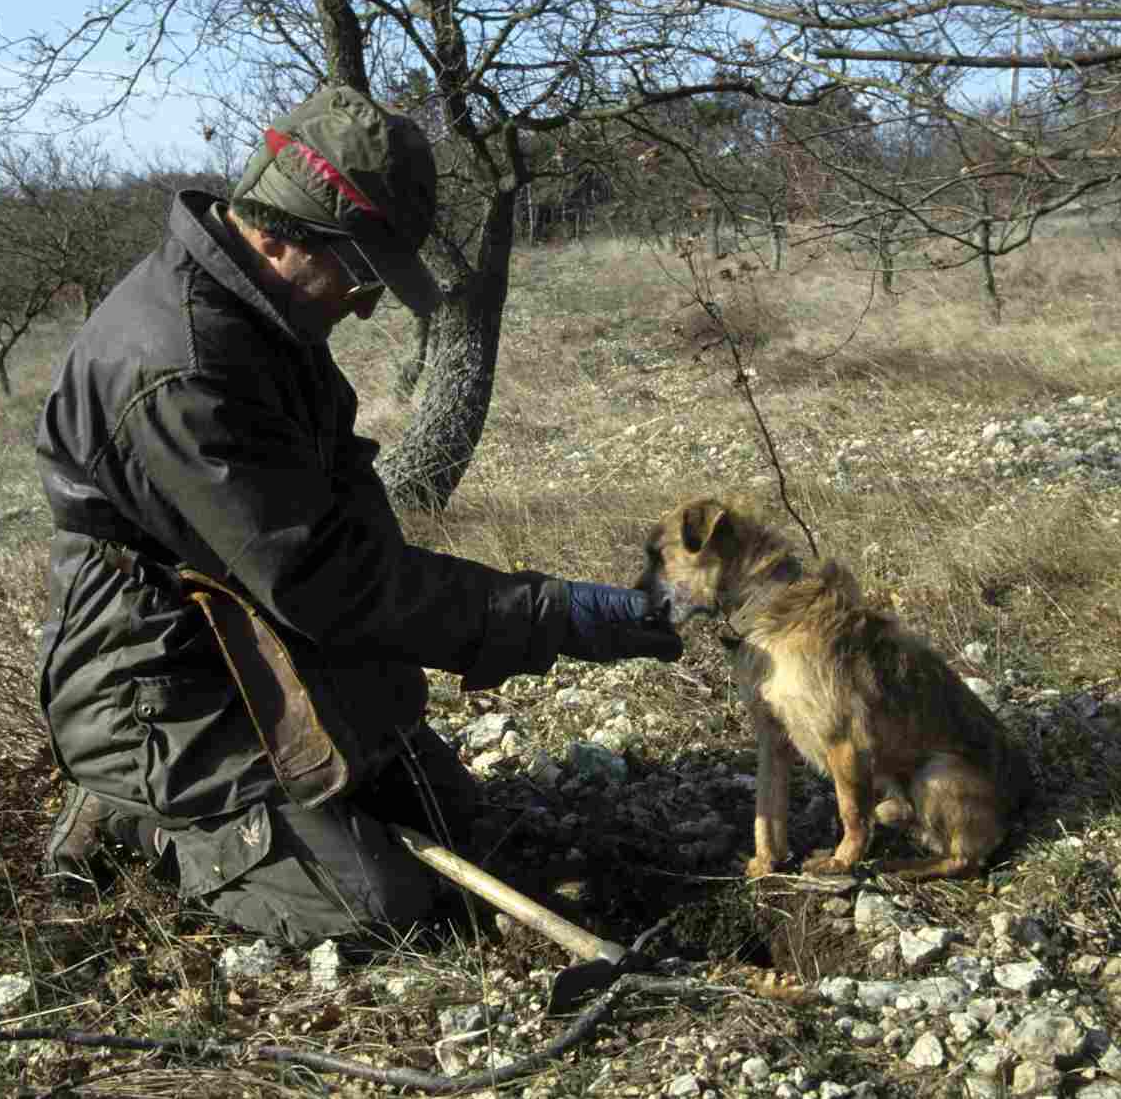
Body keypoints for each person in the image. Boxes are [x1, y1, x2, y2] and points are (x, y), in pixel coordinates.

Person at [34, 85, 682, 946]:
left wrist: (399, 693)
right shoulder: (182, 368)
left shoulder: (269, 322)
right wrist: (548, 613)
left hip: (257, 631)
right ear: (279, 234)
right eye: (362, 272)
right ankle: (131, 812)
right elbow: (326, 584)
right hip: (156, 674)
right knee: (377, 906)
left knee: (467, 835)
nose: (369, 304)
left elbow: (346, 520)